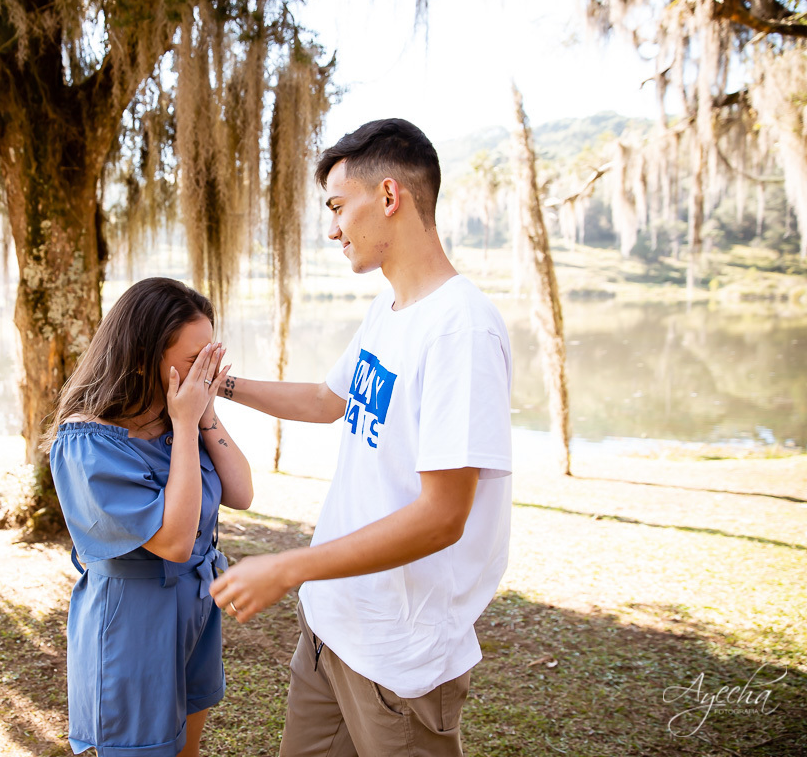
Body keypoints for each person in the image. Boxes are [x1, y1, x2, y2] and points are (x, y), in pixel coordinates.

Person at [208, 118, 513, 756]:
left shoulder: (461, 330)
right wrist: (220, 385)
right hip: (330, 629)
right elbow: (328, 401)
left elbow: (442, 517)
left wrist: (287, 567)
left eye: (338, 206)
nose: (333, 229)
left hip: (398, 654)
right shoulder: (388, 309)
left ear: (390, 196)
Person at [45, 276, 255, 757]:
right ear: (144, 357)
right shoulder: (88, 442)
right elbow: (174, 542)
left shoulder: (178, 418)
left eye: (212, 357)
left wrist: (203, 415)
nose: (207, 372)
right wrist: (186, 423)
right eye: (195, 361)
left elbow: (241, 493)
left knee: (186, 750)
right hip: (134, 623)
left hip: (195, 608)